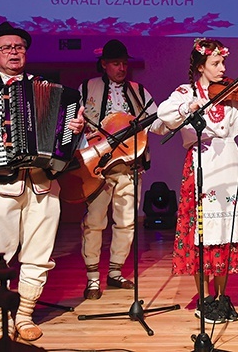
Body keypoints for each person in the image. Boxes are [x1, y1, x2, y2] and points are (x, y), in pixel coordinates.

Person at [0, 21, 85, 341]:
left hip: (42, 184)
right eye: (6, 48)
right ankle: (0, 316)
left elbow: (65, 139)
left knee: (39, 252)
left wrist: (74, 128)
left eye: (18, 47)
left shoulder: (46, 86)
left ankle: (25, 314)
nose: (14, 52)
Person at [157, 38, 238, 324]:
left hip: (229, 166)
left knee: (226, 234)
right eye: (216, 63)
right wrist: (190, 105)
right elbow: (164, 114)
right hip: (202, 164)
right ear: (200, 67)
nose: (223, 68)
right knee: (203, 234)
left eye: (222, 62)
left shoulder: (230, 96)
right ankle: (203, 299)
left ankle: (221, 296)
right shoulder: (185, 92)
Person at [79, 39, 168, 300]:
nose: (121, 68)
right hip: (98, 166)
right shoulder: (87, 88)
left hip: (130, 165)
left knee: (127, 222)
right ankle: (92, 277)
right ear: (104, 64)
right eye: (116, 63)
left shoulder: (139, 91)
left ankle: (115, 271)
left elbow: (157, 123)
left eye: (124, 63)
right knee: (94, 222)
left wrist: (171, 120)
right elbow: (74, 122)